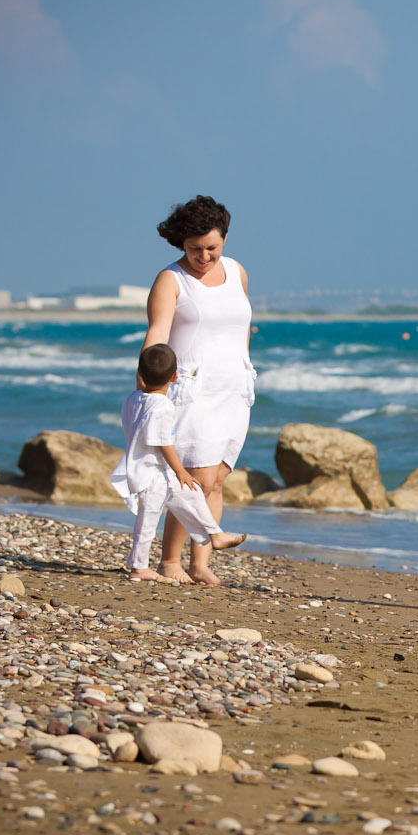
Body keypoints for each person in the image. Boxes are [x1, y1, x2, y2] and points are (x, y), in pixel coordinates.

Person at [141, 195, 255, 585]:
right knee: (195, 479)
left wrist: (244, 372)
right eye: (194, 249)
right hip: (191, 390)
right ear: (181, 244)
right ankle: (170, 562)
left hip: (234, 390)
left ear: (224, 238)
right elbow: (157, 336)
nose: (204, 256)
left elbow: (239, 330)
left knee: (217, 479)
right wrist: (148, 388)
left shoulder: (237, 272)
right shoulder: (171, 280)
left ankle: (200, 564)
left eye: (212, 247)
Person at [111, 344, 246, 580]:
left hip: (159, 473)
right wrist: (181, 471)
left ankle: (215, 535)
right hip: (150, 474)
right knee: (147, 522)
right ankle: (139, 567)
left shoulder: (133, 399)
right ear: (175, 377)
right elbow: (163, 443)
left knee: (192, 495)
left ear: (140, 374)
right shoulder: (162, 406)